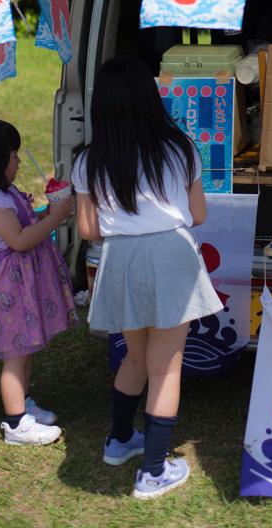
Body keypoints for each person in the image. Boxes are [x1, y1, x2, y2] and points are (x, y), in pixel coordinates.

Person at [72, 55, 222, 500]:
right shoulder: (180, 148)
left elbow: (87, 230)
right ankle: (154, 472)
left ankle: (120, 442)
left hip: (119, 260)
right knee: (166, 366)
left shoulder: (89, 160)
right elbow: (197, 215)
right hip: (172, 256)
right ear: (149, 97)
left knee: (135, 360)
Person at [0, 118, 78, 446]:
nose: (19, 161)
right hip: (11, 286)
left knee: (26, 349)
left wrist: (48, 211)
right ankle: (15, 425)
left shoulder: (5, 192)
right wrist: (54, 219)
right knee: (15, 354)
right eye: (13, 155)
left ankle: (23, 406)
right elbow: (20, 240)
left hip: (23, 282)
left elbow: (27, 223)